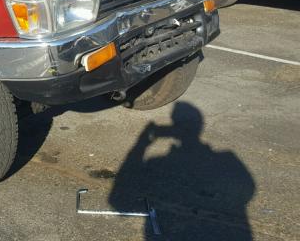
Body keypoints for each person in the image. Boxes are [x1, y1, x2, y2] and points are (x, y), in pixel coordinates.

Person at [109, 102, 255, 240]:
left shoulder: (225, 160)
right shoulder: (228, 159)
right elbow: (248, 188)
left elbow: (118, 203)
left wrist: (141, 144)